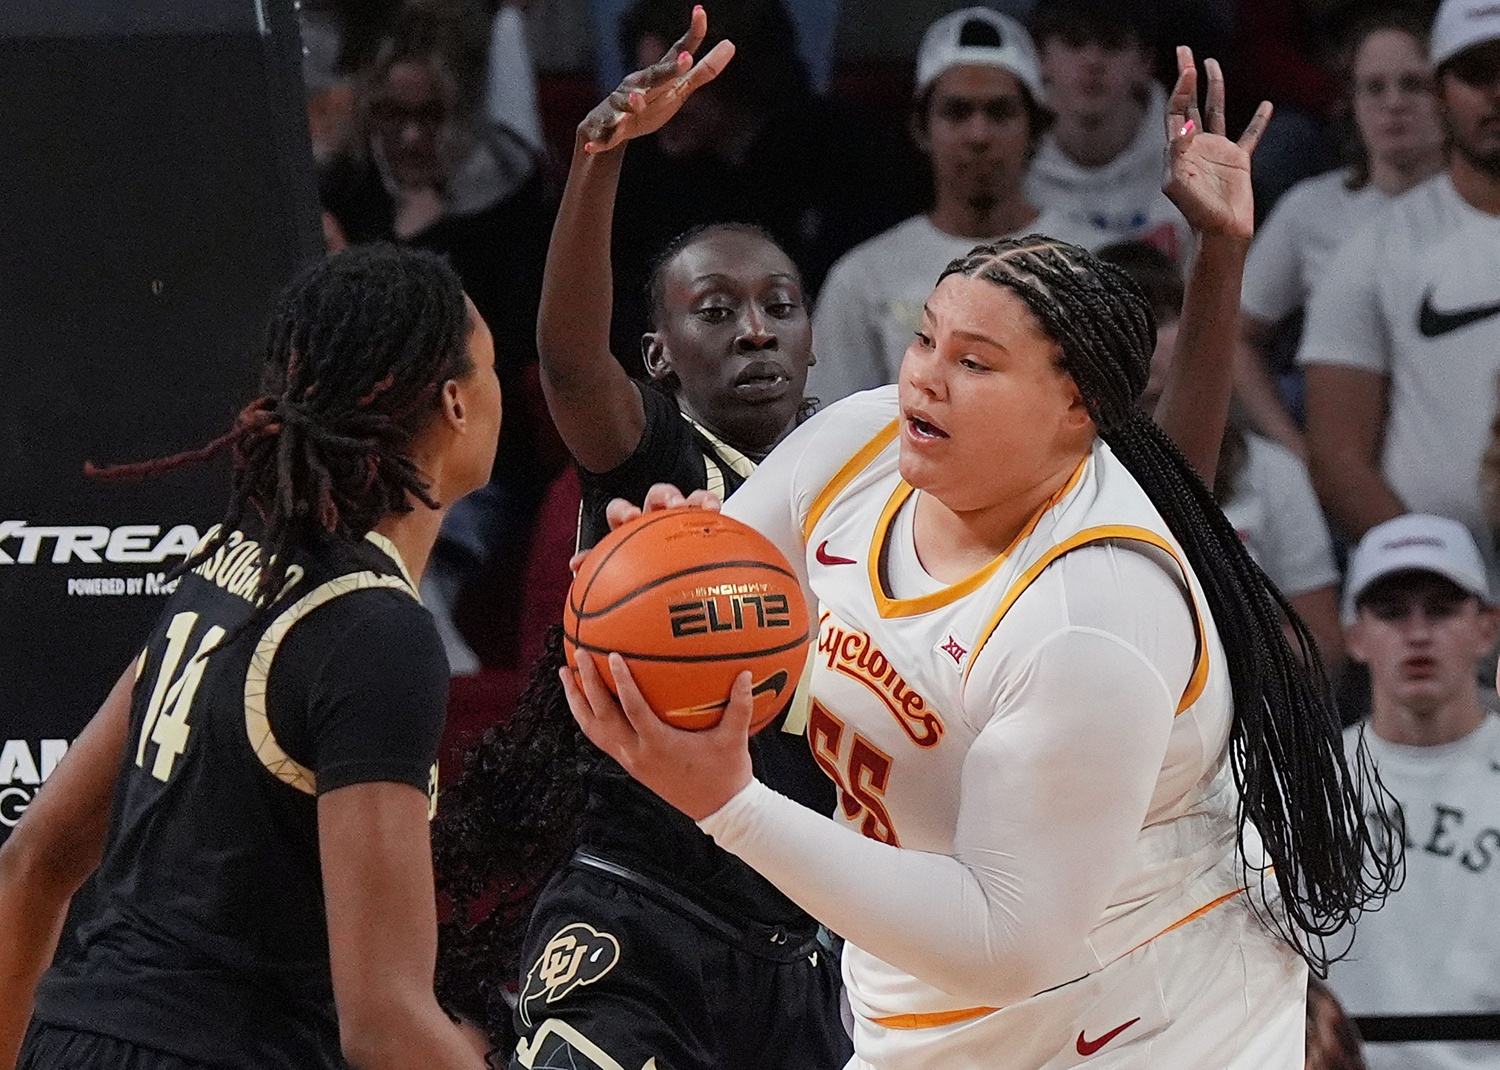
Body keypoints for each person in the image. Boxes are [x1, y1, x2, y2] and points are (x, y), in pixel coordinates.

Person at [432, 14, 1275, 1068]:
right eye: (716, 309)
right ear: (658, 351)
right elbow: (565, 362)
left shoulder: (891, 470)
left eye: (778, 305)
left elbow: (1164, 499)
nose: (753, 329)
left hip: (811, 937)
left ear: (815, 330)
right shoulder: (663, 461)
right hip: (645, 905)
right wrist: (600, 160)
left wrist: (1218, 252)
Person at [561, 111, 1397, 1067]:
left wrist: (733, 805)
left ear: (1077, 408)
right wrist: (664, 561)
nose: (925, 379)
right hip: (917, 1008)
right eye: (925, 340)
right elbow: (719, 608)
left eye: (975, 363)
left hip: (1140, 1025)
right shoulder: (860, 446)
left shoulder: (1093, 618)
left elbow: (1005, 941)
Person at [0, 246, 500, 1070]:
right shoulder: (376, 629)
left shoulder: (237, 561)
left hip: (73, 1039)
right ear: (454, 403)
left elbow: (33, 863)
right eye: (486, 369)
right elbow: (383, 1023)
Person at [320, 1, 557, 672]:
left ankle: (431, 663)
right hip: (354, 439)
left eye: (432, 117)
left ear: (469, 113)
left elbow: (499, 356)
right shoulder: (342, 192)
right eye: (394, 117)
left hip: (473, 449)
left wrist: (413, 251)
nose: (413, 139)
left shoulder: (516, 204)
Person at [808, 7, 1101, 405]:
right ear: (921, 128)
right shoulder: (861, 281)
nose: (978, 134)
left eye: (999, 112)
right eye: (957, 112)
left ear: (1035, 127)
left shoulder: (1091, 262)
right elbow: (832, 429)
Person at [1301, 0, 1500, 582]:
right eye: (1475, 74)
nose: (1495, 92)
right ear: (1440, 93)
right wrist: (1443, 579)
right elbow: (1339, 459)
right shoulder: (1373, 249)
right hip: (1439, 610)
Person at [1101, 239, 1345, 675]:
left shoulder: (1271, 471)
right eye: (1124, 322)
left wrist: (1209, 659)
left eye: (1163, 318)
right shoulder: (1047, 474)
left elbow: (1321, 645)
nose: (1146, 338)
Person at [1331, 514, 1500, 1070]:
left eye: (1442, 608)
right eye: (1392, 611)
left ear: (1487, 627)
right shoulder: (1308, 784)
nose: (1418, 632)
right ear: (1355, 634)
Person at [1240, 10, 1445, 459]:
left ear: (1448, 94)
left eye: (1413, 84)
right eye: (1373, 87)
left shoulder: (1486, 208)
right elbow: (1236, 335)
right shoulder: (1309, 209)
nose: (1393, 102)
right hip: (1349, 456)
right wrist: (1299, 453)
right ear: (1349, 102)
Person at [1024, 0, 1194, 258]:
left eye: (1112, 45)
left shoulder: (1188, 154)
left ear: (1146, 62)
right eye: (1074, 42)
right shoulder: (1007, 149)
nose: (1093, 62)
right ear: (1040, 57)